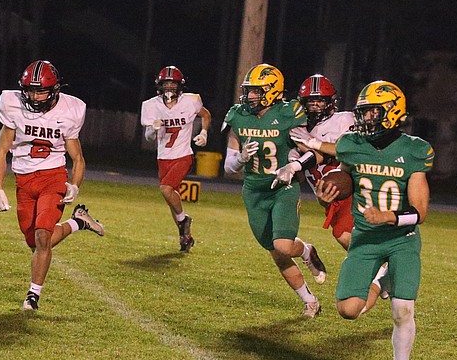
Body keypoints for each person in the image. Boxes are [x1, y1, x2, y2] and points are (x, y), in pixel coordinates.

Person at [316, 81, 433, 360]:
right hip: (365, 238)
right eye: (364, 114)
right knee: (348, 310)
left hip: (401, 239)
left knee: (402, 309)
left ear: (393, 113)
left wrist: (389, 216)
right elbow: (344, 178)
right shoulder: (353, 144)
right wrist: (328, 192)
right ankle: (381, 281)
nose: (366, 120)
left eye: (372, 113)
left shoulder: (413, 150)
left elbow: (420, 212)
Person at [0, 60, 104, 311]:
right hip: (23, 180)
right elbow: (1, 151)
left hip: (52, 177)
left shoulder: (69, 110)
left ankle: (33, 295)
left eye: (40, 91)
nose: (34, 96)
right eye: (30, 90)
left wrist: (74, 184)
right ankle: (79, 222)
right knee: (34, 242)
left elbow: (77, 157)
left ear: (55, 90)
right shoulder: (12, 105)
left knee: (43, 235)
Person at [222, 63, 327, 318]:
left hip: (283, 188)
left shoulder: (289, 114)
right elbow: (228, 167)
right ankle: (310, 300)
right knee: (276, 252)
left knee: (282, 245)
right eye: (249, 91)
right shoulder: (239, 116)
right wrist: (241, 159)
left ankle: (304, 249)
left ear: (272, 90)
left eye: (256, 91)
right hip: (254, 191)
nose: (250, 97)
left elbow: (315, 152)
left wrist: (294, 164)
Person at [275, 74, 387, 311]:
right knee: (345, 237)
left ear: (331, 102)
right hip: (326, 196)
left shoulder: (343, 120)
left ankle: (381, 274)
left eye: (320, 101)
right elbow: (301, 161)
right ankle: (382, 270)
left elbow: (341, 150)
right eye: (310, 101)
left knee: (345, 233)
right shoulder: (298, 128)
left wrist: (307, 152)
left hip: (347, 184)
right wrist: (291, 162)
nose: (315, 106)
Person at [140, 65, 211, 251]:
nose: (169, 88)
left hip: (183, 155)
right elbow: (148, 138)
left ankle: (184, 220)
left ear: (180, 86)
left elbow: (205, 114)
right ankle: (185, 237)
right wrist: (151, 129)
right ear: (159, 85)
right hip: (163, 157)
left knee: (165, 189)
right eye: (166, 84)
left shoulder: (190, 101)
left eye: (173, 84)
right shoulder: (151, 105)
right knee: (173, 199)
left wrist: (204, 133)